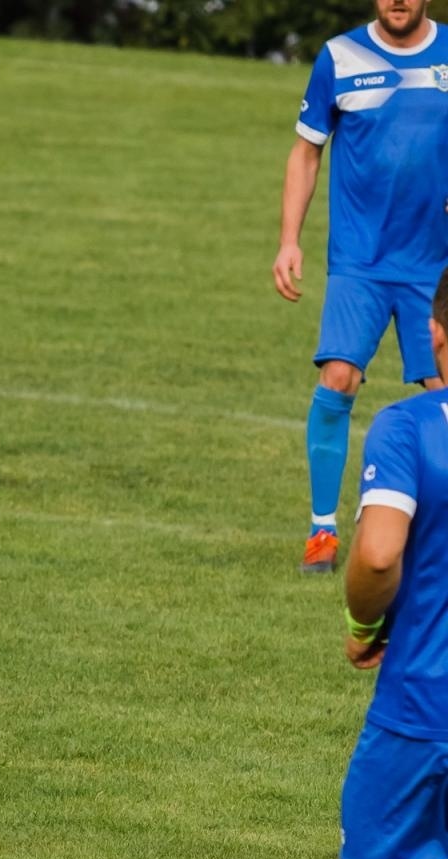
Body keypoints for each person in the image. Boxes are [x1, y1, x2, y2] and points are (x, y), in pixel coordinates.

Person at [297, 266, 448, 859]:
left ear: (436, 337)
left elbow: (380, 551)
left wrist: (363, 620)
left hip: (422, 709)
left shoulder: (410, 427)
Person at [273, 0, 448, 575]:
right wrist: (289, 240)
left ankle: (431, 531)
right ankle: (323, 531)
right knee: (339, 377)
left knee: (443, 390)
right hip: (361, 263)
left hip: (434, 265)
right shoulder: (339, 56)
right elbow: (306, 152)